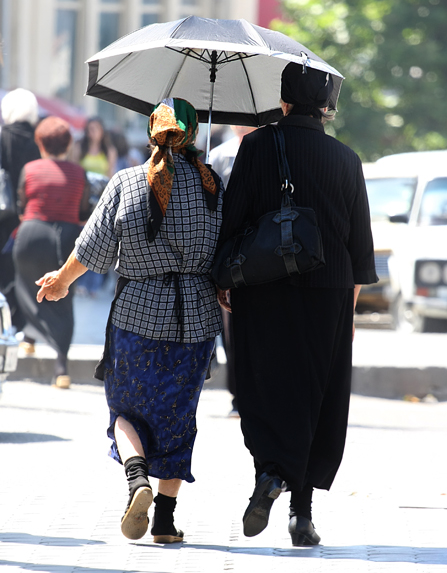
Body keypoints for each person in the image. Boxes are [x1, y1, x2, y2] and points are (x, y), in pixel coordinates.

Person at [35, 97, 223, 543]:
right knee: (180, 416)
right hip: (194, 319)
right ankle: (164, 520)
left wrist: (61, 281)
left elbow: (92, 247)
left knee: (125, 408)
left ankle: (136, 478)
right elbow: (226, 252)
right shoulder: (213, 185)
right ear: (192, 135)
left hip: (136, 314)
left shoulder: (127, 181)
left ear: (150, 133)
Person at [217, 63, 377, 546]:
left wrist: (222, 277)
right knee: (317, 396)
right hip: (328, 292)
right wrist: (348, 311)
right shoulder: (346, 158)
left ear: (283, 100)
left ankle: (269, 470)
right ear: (326, 106)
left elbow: (234, 218)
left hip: (263, 289)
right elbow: (361, 249)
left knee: (263, 386)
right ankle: (301, 514)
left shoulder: (256, 146)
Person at [13, 116, 90, 388]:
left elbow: (21, 204)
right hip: (66, 237)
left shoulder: (30, 168)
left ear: (40, 144)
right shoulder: (79, 173)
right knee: (63, 295)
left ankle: (29, 337)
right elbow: (83, 212)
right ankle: (61, 367)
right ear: (68, 144)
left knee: (27, 286)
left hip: (31, 234)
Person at [209, 125, 256, 417]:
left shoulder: (272, 150)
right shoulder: (219, 156)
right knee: (232, 330)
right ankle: (239, 395)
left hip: (261, 247)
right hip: (229, 249)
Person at [0, 88, 41, 347]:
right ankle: (18, 324)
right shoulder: (37, 141)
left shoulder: (2, 136)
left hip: (1, 214)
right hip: (28, 217)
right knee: (22, 272)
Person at [74, 117, 117, 295]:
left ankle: (93, 284)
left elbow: (111, 177)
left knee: (98, 243)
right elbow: (74, 172)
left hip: (100, 202)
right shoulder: (79, 148)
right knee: (80, 241)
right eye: (89, 128)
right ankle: (79, 282)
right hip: (82, 201)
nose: (92, 132)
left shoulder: (109, 151)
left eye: (96, 128)